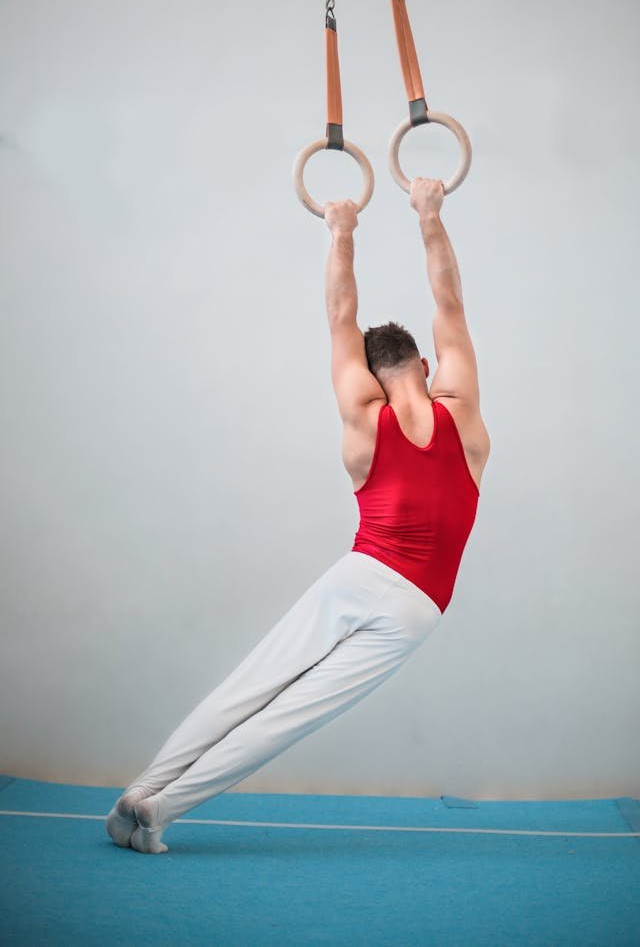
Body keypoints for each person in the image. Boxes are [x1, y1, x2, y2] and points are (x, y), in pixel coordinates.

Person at [105, 176, 490, 854]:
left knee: (246, 687)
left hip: (359, 573)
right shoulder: (462, 417)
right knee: (286, 719)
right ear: (426, 364)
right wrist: (429, 214)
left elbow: (342, 318)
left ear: (369, 376)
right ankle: (159, 814)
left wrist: (341, 227)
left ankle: (140, 792)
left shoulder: (362, 419)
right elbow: (448, 298)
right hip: (416, 606)